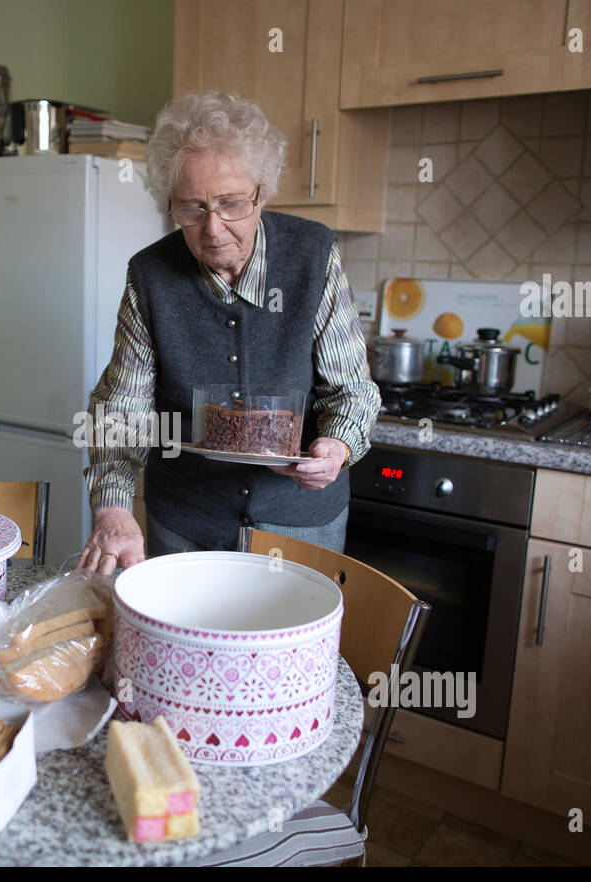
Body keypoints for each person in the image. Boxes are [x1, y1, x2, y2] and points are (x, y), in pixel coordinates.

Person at [76, 90, 380, 575]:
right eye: (191, 209)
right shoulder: (150, 274)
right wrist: (113, 507)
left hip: (299, 527)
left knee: (291, 648)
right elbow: (121, 407)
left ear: (262, 192)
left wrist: (337, 447)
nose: (213, 229)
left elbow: (351, 390)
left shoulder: (313, 255)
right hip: (185, 521)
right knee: (182, 647)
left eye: (232, 204)